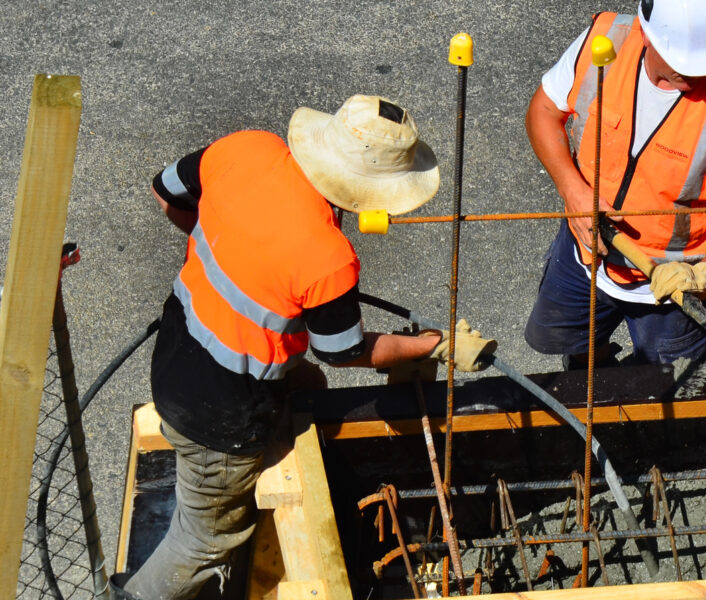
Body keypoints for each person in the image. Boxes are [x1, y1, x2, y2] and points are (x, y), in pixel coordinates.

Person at [117, 95, 495, 600]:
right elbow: (343, 352)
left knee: (308, 386)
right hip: (220, 416)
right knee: (205, 538)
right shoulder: (326, 258)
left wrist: (238, 250)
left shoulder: (246, 149)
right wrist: (432, 346)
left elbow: (166, 193)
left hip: (175, 351)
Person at [523, 0, 706, 367]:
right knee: (567, 341)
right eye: (683, 64)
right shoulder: (605, 42)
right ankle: (597, 364)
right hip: (585, 253)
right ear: (648, 35)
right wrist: (572, 189)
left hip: (671, 285)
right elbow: (543, 112)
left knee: (671, 381)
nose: (699, 75)